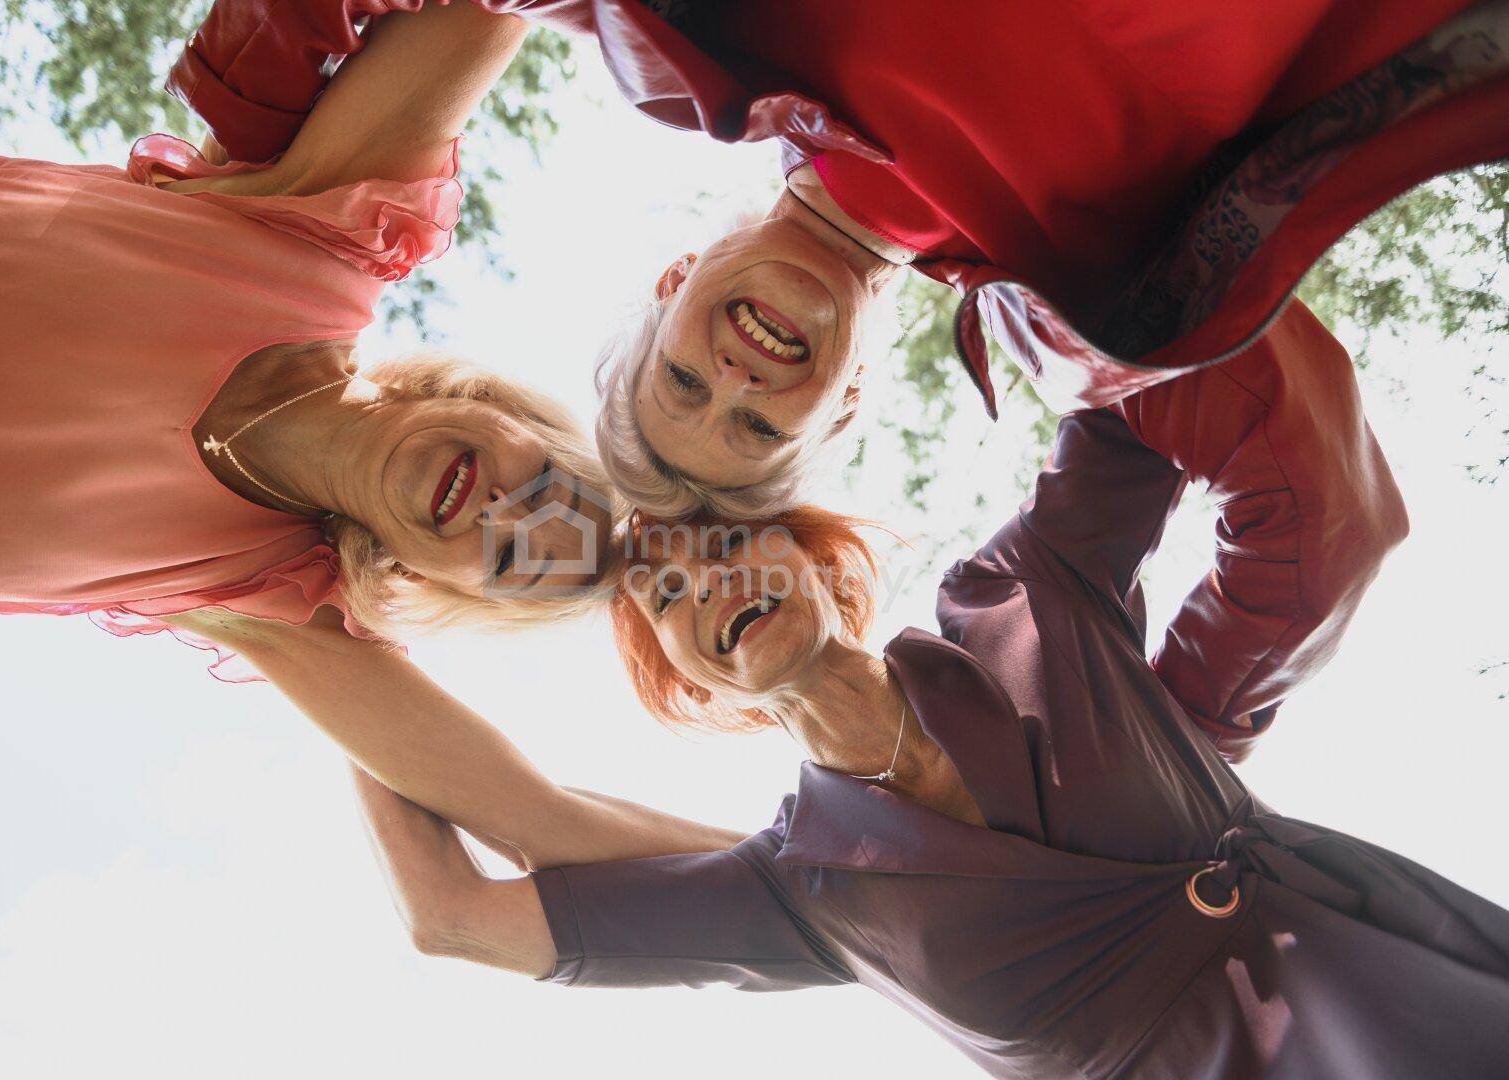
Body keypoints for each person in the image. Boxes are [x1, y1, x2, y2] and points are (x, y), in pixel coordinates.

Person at [343, 317, 1509, 1078]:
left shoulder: (1024, 591)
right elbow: (455, 914)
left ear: (808, 553)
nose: (710, 583)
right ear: (684, 672)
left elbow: (1139, 362)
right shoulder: (802, 893)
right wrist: (321, 602)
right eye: (667, 595)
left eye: (727, 540)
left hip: (1415, 1008)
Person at [0, 2, 741, 869]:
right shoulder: (314, 241)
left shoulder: (267, 600)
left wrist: (827, 878)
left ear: (438, 582)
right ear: (506, 411)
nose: (499, 511)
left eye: (511, 558)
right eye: (542, 485)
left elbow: (538, 817)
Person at [166, 0, 1509, 516]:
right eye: (757, 424)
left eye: (682, 384)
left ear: (669, 286)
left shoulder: (677, 55)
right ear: (848, 402)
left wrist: (239, 146)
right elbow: (1324, 515)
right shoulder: (1083, 312)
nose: (737, 381)